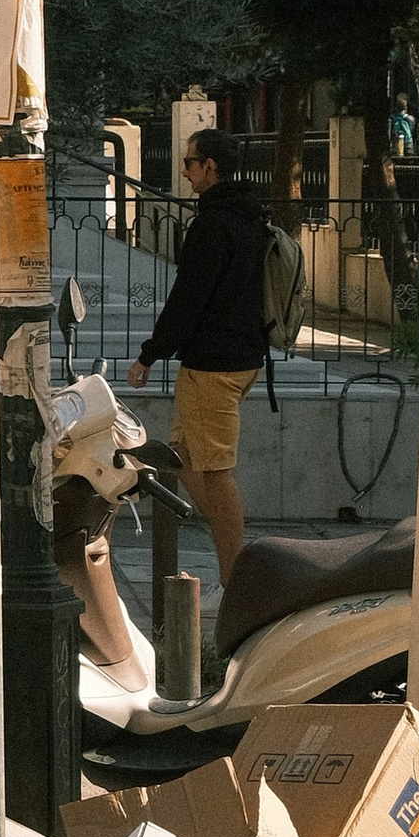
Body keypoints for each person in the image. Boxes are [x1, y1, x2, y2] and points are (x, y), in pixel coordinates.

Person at [129, 127, 269, 585]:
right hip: (241, 357)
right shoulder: (250, 217)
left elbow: (188, 297)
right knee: (182, 456)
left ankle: (235, 580)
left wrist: (150, 354)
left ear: (210, 167)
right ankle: (230, 539)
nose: (185, 171)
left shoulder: (212, 223)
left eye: (190, 163)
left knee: (217, 470)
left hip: (214, 364)